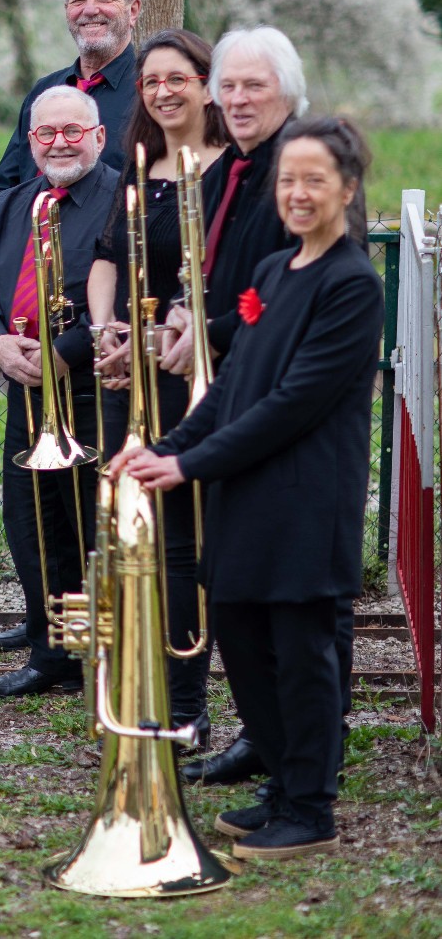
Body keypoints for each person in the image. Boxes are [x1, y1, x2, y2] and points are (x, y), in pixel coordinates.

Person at [115, 117, 383, 859]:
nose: (296, 194)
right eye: (287, 180)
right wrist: (160, 447)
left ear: (346, 190)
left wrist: (188, 468)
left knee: (300, 658)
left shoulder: (353, 285)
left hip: (303, 501)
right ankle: (278, 782)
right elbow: (233, 386)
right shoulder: (271, 273)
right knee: (239, 637)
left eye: (314, 181)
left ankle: (309, 806)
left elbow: (292, 402)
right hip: (244, 494)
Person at [150, 25, 353, 787]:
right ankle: (267, 739)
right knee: (245, 595)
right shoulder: (224, 171)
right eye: (227, 87)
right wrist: (182, 316)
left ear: (287, 94)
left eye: (252, 87)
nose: (235, 99)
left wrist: (208, 328)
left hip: (281, 414)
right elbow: (225, 279)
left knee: (301, 609)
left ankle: (309, 752)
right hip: (228, 393)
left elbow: (286, 297)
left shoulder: (300, 172)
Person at [86, 28, 229, 743]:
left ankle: (186, 703)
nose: (163, 91)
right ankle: (157, 692)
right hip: (134, 374)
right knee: (141, 532)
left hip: (198, 379)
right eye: (150, 82)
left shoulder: (232, 169)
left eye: (177, 78)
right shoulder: (139, 168)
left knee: (186, 539)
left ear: (206, 84)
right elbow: (109, 253)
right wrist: (105, 327)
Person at [0, 86, 119, 697]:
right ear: (30, 142)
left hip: (91, 386)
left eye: (72, 131)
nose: (59, 142)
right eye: (45, 133)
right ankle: (52, 651)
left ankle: (95, 652)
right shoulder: (15, 203)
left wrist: (62, 352)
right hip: (25, 384)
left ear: (99, 137)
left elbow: (128, 292)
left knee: (87, 528)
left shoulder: (119, 201)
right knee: (33, 526)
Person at [0, 0, 141, 220]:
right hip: (32, 251)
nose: (90, 10)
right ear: (67, 10)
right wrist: (32, 230)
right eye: (78, 0)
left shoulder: (150, 93)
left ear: (132, 11)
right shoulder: (45, 91)